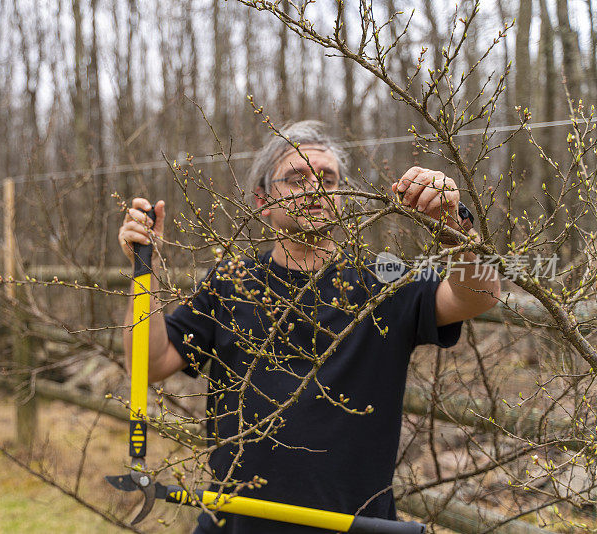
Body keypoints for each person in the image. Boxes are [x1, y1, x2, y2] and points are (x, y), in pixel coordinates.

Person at [117, 121, 501, 533]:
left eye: (328, 179)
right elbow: (151, 362)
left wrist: (456, 230)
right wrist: (148, 272)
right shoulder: (230, 282)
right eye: (297, 178)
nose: (315, 188)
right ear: (263, 200)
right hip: (235, 524)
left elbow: (476, 297)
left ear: (342, 196)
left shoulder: (384, 280)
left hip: (357, 525)